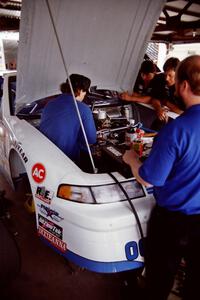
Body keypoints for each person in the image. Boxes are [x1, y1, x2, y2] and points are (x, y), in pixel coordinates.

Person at [123, 55, 200, 300]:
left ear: (184, 85)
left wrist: (131, 159)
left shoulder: (177, 130)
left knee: (158, 282)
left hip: (172, 223)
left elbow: (149, 179)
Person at [40, 74, 96, 164]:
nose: (85, 94)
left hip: (44, 154)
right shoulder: (83, 109)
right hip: (66, 160)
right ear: (80, 90)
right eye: (85, 91)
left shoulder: (49, 104)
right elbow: (90, 139)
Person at [150, 57, 185, 130]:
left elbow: (183, 112)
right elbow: (155, 98)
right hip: (164, 117)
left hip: (181, 124)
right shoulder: (160, 79)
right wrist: (158, 108)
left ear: (178, 75)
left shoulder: (184, 87)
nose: (166, 79)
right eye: (165, 74)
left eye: (170, 76)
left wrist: (166, 103)